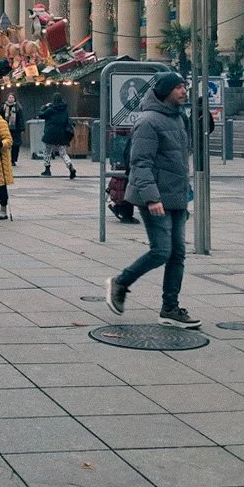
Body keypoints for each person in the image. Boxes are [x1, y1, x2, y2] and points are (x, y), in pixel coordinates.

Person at [103, 72, 198, 328]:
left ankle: (170, 308)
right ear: (166, 91)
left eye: (184, 87)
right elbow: (140, 163)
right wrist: (152, 198)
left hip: (176, 196)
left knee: (177, 254)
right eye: (179, 88)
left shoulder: (179, 118)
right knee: (161, 251)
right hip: (154, 197)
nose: (183, 91)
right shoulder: (148, 121)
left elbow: (178, 160)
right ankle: (121, 282)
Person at [38, 94, 77, 178]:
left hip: (50, 133)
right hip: (62, 134)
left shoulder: (51, 109)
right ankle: (70, 165)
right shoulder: (65, 110)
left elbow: (41, 114)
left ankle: (47, 169)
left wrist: (44, 106)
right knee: (63, 153)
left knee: (47, 151)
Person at [2, 92, 25, 166]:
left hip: (16, 129)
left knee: (16, 145)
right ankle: (6, 159)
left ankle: (13, 160)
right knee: (6, 144)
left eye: (12, 97)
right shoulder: (4, 106)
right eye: (9, 97)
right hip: (6, 128)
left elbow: (21, 118)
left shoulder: (18, 107)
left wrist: (22, 128)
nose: (11, 99)